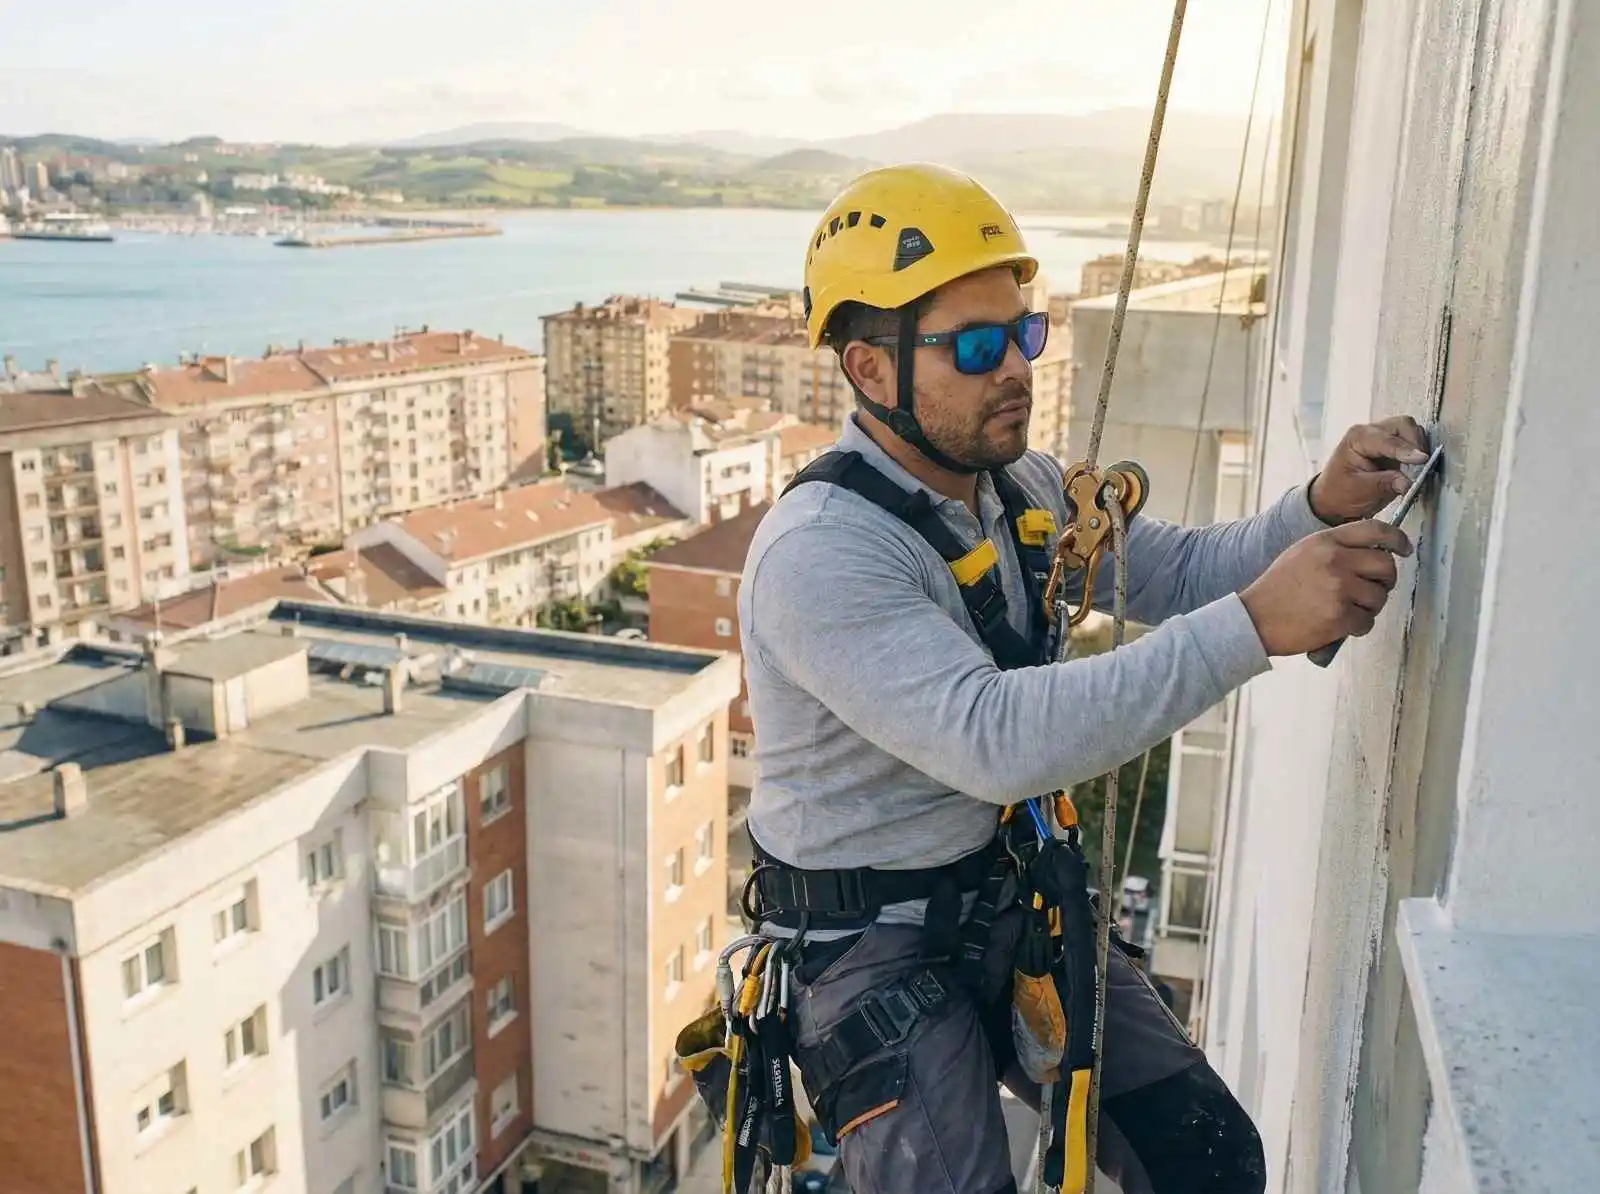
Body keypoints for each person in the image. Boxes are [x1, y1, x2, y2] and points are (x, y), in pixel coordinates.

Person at [736, 164, 1427, 1194]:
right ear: (869, 371)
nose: (1010, 368)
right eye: (974, 347)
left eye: (1023, 333)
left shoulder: (1017, 488)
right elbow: (994, 740)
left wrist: (1315, 510)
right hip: (868, 949)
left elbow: (1181, 569)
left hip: (1002, 895)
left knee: (1206, 1156)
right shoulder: (823, 553)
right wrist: (1253, 627)